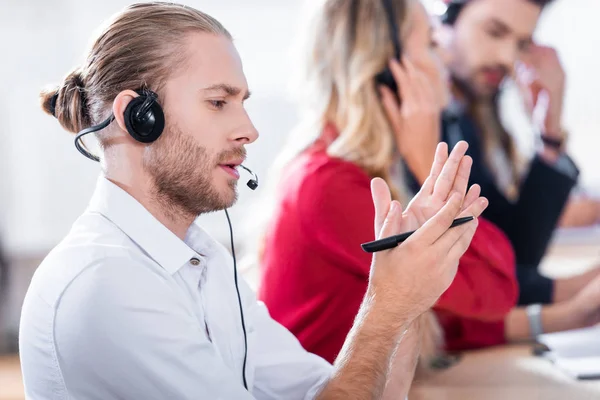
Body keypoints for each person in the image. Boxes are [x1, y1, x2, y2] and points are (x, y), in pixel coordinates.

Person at [18, 3, 488, 399]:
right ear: (138, 117)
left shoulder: (204, 260)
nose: (250, 130)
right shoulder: (110, 286)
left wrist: (405, 302)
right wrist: (385, 308)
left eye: (242, 102)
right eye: (219, 103)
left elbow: (328, 391)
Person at [256, 0, 600, 362]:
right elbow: (494, 286)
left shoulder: (354, 167)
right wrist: (428, 168)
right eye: (433, 44)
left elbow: (428, 312)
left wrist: (572, 314)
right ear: (390, 70)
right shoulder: (335, 185)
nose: (444, 64)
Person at [416, 0, 600, 307]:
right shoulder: (417, 114)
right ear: (446, 15)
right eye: (494, 31)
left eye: (521, 43)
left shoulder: (467, 117)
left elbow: (513, 249)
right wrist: (573, 291)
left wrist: (549, 129)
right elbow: (471, 278)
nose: (507, 58)